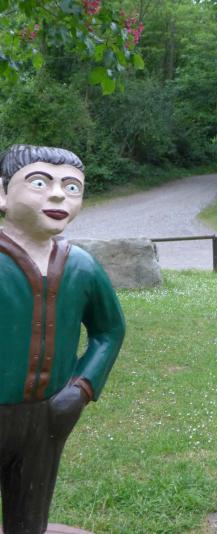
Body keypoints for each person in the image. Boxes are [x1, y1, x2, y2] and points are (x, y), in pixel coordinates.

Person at [0, 144, 125, 533]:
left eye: (72, 188)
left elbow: (109, 330)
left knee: (31, 514)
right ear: (3, 192)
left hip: (48, 415)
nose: (58, 196)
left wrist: (82, 387)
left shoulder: (82, 266)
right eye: (39, 183)